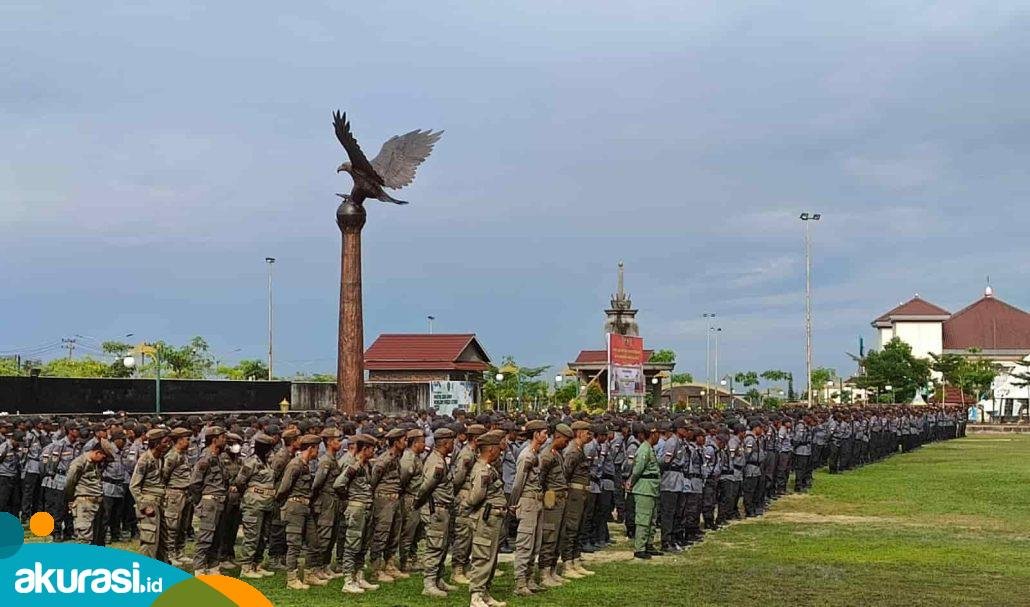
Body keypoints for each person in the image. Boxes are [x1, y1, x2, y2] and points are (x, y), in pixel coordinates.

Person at [464, 429, 509, 607]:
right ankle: (476, 596)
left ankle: (484, 593)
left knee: (491, 557)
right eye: (498, 447)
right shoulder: (482, 470)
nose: (500, 450)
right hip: (486, 519)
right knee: (483, 556)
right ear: (491, 449)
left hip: (493, 518)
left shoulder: (489, 468)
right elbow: (475, 497)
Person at [414, 427, 458, 598]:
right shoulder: (437, 463)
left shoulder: (439, 459)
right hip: (436, 509)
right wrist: (418, 503)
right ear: (446, 443)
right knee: (435, 546)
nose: (453, 445)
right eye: (452, 442)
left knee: (442, 546)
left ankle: (438, 579)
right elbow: (426, 487)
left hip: (443, 508)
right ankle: (429, 583)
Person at [276, 433, 322, 590]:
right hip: (295, 508)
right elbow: (283, 488)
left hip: (305, 507)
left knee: (314, 542)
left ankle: (309, 574)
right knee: (294, 544)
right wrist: (285, 504)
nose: (318, 452)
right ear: (310, 448)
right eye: (316, 448)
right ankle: (292, 579)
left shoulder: (304, 465)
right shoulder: (295, 465)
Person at [336, 433, 379, 594]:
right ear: (365, 449)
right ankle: (348, 580)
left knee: (363, 545)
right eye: (371, 449)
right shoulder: (353, 466)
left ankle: (359, 576)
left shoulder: (366, 465)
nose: (374, 452)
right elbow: (338, 484)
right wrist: (349, 499)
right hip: (357, 508)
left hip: (366, 507)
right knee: (352, 544)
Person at [509, 419, 548, 596]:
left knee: (535, 543)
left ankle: (529, 578)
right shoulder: (526, 456)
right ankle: (520, 582)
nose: (546, 436)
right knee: (525, 543)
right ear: (536, 434)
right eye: (544, 433)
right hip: (527, 501)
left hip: (537, 501)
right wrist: (513, 503)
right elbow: (518, 483)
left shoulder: (535, 454)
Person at [369, 427, 409, 582]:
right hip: (384, 500)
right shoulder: (385, 459)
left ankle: (390, 564)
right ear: (396, 442)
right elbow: (374, 480)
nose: (406, 443)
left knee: (394, 534)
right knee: (381, 533)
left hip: (395, 500)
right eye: (404, 440)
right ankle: (376, 568)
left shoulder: (397, 458)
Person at [234, 432, 277, 579]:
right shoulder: (251, 462)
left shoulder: (268, 462)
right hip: (254, 504)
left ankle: (257, 564)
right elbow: (240, 482)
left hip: (267, 503)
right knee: (252, 536)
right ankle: (246, 567)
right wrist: (249, 495)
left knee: (263, 536)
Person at [190, 426, 228, 575]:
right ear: (214, 440)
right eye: (222, 437)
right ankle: (199, 568)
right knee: (205, 537)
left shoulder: (218, 457)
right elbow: (195, 483)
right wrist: (200, 502)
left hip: (219, 501)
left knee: (217, 537)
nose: (225, 440)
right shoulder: (205, 458)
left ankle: (213, 566)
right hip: (210, 502)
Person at [450, 424, 485, 585]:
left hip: (471, 496)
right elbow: (458, 478)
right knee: (463, 534)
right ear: (476, 439)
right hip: (464, 496)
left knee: (470, 534)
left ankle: (465, 565)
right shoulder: (466, 455)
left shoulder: (474, 453)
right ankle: (457, 569)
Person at [536, 422, 571, 587]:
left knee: (559, 537)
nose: (567, 444)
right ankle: (544, 573)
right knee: (549, 537)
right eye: (565, 440)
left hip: (561, 500)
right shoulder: (546, 455)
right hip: (551, 501)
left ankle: (552, 570)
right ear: (558, 437)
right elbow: (540, 480)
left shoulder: (557, 454)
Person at [307, 427, 343, 583]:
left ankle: (325, 565)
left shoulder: (333, 459)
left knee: (332, 535)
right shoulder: (325, 461)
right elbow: (317, 484)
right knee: (324, 535)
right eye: (337, 440)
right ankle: (316, 568)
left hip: (333, 501)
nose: (339, 443)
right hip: (326, 501)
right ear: (329, 441)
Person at [559, 420, 595, 578]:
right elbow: (565, 473)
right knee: (572, 529)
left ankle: (576, 560)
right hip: (574, 494)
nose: (589, 435)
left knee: (580, 528)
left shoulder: (580, 450)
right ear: (579, 433)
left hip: (582, 493)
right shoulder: (572, 451)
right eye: (587, 432)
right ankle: (567, 564)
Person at [129, 428, 170, 562]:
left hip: (159, 502)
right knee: (149, 540)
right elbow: (134, 486)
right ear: (156, 444)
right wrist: (144, 505)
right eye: (165, 442)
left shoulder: (161, 458)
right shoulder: (144, 460)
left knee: (162, 539)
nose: (168, 445)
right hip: (149, 504)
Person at [64, 440, 113, 544]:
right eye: (103, 457)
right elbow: (69, 483)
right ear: (97, 453)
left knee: (98, 538)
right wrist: (71, 499)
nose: (103, 461)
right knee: (85, 537)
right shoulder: (79, 463)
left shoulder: (95, 464)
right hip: (84, 503)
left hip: (97, 503)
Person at [162, 427, 193, 566]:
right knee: (172, 526)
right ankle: (169, 553)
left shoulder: (183, 455)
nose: (189, 442)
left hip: (185, 493)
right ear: (179, 440)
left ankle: (180, 552)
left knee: (183, 526)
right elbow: (164, 475)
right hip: (175, 493)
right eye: (187, 439)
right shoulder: (172, 456)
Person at [629, 423, 660, 560]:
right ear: (652, 434)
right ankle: (640, 548)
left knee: (651, 519)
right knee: (643, 519)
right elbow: (637, 470)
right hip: (644, 488)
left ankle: (649, 544)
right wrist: (631, 483)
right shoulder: (644, 449)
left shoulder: (650, 449)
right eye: (657, 434)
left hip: (652, 488)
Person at [398, 427, 425, 574]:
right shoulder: (408, 459)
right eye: (422, 442)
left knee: (416, 532)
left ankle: (413, 557)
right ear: (415, 443)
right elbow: (402, 481)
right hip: (410, 498)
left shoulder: (416, 457)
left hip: (417, 498)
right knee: (408, 532)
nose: (425, 445)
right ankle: (405, 561)